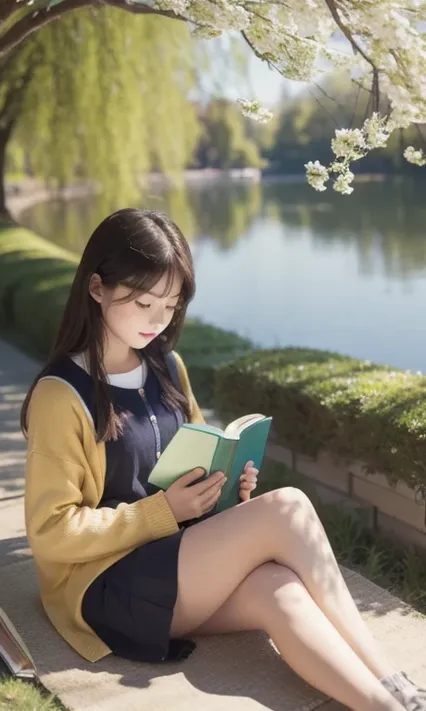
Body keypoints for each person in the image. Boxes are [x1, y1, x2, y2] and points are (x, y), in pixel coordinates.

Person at [22, 208, 425, 711]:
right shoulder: (62, 396)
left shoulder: (167, 367)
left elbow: (192, 461)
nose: (157, 320)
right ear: (97, 288)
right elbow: (50, 531)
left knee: (279, 590)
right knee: (290, 508)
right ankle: (391, 674)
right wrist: (165, 511)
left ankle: (390, 704)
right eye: (144, 301)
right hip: (104, 586)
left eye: (169, 305)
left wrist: (226, 485)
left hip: (176, 561)